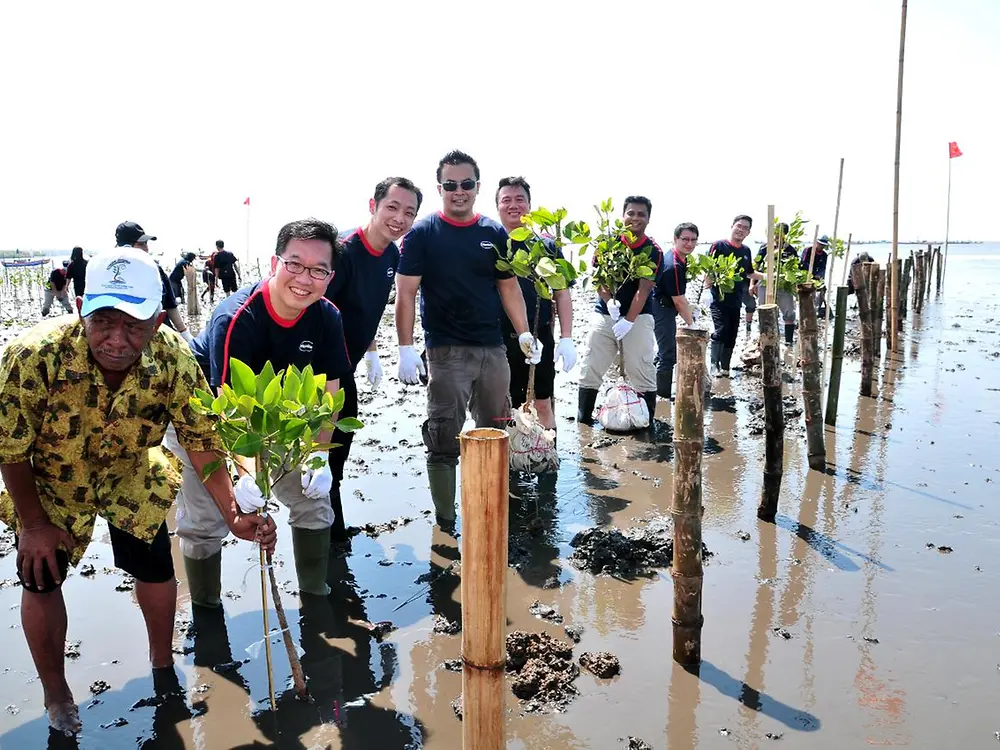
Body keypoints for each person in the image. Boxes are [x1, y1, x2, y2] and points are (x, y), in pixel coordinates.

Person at [0, 247, 276, 736]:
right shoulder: (32, 356)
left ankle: (160, 663)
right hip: (51, 482)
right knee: (40, 575)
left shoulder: (172, 356)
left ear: (157, 317)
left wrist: (233, 513)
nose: (117, 340)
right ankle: (55, 689)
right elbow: (9, 445)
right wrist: (35, 524)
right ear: (82, 305)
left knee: (154, 563)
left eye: (135, 325)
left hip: (131, 470)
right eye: (104, 321)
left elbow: (201, 440)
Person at [177, 219, 352, 602]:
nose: (305, 278)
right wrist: (247, 472)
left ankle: (315, 599)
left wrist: (319, 455)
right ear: (275, 263)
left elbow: (330, 391)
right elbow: (229, 407)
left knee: (314, 499)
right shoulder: (236, 317)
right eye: (295, 264)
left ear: (329, 276)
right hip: (208, 417)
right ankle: (207, 613)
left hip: (278, 417)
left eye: (318, 269)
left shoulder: (326, 316)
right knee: (206, 520)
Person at [395, 150, 539, 528]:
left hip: (492, 348)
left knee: (495, 426)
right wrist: (406, 348)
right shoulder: (422, 233)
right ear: (440, 187)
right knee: (443, 436)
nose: (459, 191)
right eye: (450, 185)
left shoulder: (492, 233)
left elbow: (509, 288)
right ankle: (446, 520)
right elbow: (406, 292)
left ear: (478, 187)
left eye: (467, 184)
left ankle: (489, 508)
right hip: (445, 350)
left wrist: (523, 332)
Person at [324, 177, 422, 542]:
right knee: (323, 449)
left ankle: (332, 524)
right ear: (373, 205)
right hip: (320, 367)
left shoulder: (393, 255)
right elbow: (318, 311)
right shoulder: (344, 250)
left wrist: (373, 352)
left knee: (341, 445)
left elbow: (370, 308)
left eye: (409, 212)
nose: (399, 218)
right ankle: (325, 533)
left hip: (347, 363)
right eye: (392, 207)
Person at [495, 176, 576, 430]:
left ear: (530, 205)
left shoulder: (546, 246)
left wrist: (567, 338)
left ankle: (548, 461)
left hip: (540, 337)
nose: (513, 205)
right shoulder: (491, 243)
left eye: (520, 199)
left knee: (542, 403)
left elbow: (561, 293)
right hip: (497, 340)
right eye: (506, 200)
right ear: (497, 206)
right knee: (503, 406)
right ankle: (508, 463)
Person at [578, 196, 662, 425]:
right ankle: (583, 421)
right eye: (631, 213)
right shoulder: (607, 243)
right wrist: (608, 302)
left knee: (641, 369)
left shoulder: (652, 250)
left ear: (648, 219)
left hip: (639, 315)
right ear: (622, 216)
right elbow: (598, 279)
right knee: (591, 367)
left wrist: (628, 320)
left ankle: (647, 422)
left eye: (641, 214)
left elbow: (644, 289)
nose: (635, 218)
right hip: (605, 314)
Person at [115, 221, 195, 344]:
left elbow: (170, 305)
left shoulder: (155, 269)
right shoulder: (112, 273)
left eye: (146, 243)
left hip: (161, 335)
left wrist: (185, 334)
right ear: (127, 246)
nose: (147, 248)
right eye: (141, 244)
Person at [706, 215, 761, 377]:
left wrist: (768, 276)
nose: (741, 230)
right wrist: (706, 291)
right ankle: (714, 365)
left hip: (736, 300)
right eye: (739, 226)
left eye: (745, 228)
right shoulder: (719, 246)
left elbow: (750, 273)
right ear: (732, 226)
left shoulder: (746, 250)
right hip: (719, 298)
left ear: (748, 233)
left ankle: (725, 367)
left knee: (732, 333)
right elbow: (709, 269)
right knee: (721, 330)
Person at [652, 223, 700, 402]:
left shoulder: (679, 258)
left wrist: (689, 311)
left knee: (662, 352)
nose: (689, 244)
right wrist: (691, 324)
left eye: (693, 240)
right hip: (661, 308)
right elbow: (678, 300)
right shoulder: (673, 265)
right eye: (685, 239)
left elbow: (680, 297)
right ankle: (661, 397)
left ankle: (651, 386)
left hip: (665, 305)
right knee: (668, 353)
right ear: (675, 239)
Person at [750, 222, 800, 346]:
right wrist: (752, 284)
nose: (777, 236)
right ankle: (767, 341)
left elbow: (796, 270)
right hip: (765, 284)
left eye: (780, 234)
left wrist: (795, 287)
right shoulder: (764, 248)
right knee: (764, 312)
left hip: (784, 285)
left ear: (785, 235)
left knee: (789, 314)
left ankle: (788, 342)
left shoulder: (790, 250)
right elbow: (755, 268)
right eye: (775, 233)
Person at [801, 234, 830, 315]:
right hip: (806, 275)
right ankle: (806, 310)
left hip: (817, 276)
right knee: (807, 293)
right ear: (816, 243)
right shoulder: (808, 250)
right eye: (820, 244)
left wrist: (819, 275)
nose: (821, 246)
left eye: (823, 245)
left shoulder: (824, 255)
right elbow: (803, 263)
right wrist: (812, 273)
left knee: (823, 289)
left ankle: (816, 308)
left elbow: (823, 267)